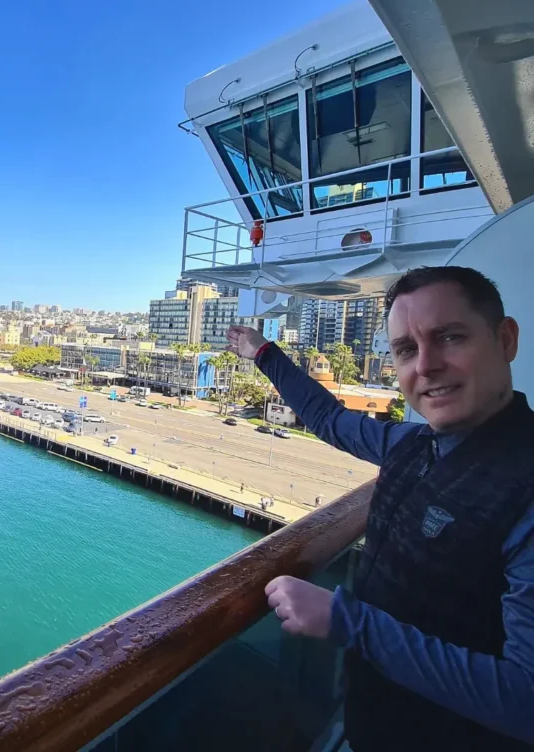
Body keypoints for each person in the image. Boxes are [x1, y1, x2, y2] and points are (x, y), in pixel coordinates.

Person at [226, 266, 534, 749]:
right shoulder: (413, 444)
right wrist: (263, 353)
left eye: (450, 337)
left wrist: (349, 622)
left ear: (505, 339)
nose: (426, 365)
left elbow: (526, 698)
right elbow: (329, 419)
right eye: (407, 350)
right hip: (371, 724)